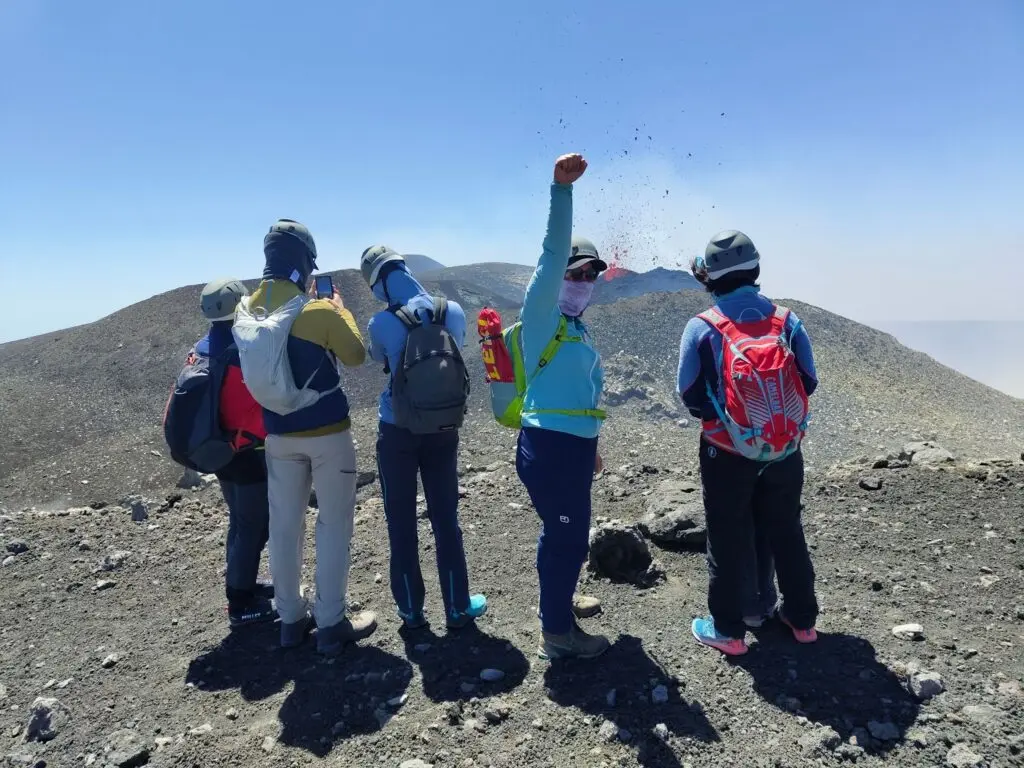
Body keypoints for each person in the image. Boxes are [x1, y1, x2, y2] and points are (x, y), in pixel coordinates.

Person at [677, 230, 820, 656]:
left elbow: (689, 392)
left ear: (711, 277)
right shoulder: (786, 320)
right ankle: (803, 620)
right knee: (786, 530)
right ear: (755, 269)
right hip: (785, 449)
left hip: (726, 451)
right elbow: (808, 380)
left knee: (725, 536)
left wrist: (724, 420)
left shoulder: (703, 327)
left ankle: (729, 632)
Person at [243, 219, 377, 655]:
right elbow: (355, 356)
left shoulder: (248, 310)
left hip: (278, 438)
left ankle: (290, 620)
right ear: (305, 261)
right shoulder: (316, 310)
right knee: (333, 525)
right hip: (327, 437)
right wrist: (338, 308)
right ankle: (332, 623)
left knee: (284, 527)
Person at [360, 246, 488, 630]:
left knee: (400, 521)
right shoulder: (452, 311)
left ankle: (412, 611)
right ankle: (458, 606)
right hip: (443, 429)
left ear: (378, 282)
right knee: (446, 519)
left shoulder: (380, 322)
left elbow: (380, 361)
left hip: (397, 430)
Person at [515, 153, 611, 660]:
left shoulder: (576, 328)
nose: (583, 281)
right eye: (576, 273)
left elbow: (581, 397)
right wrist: (561, 190)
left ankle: (558, 605)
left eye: (591, 275)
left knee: (563, 534)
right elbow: (553, 252)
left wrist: (592, 450)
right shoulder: (543, 315)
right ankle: (557, 635)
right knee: (568, 539)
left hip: (570, 448)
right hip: (548, 447)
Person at [195, 278, 275, 628]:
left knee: (241, 522)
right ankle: (241, 603)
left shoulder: (202, 346)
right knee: (255, 524)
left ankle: (242, 584)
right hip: (245, 450)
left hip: (219, 449)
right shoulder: (241, 347)